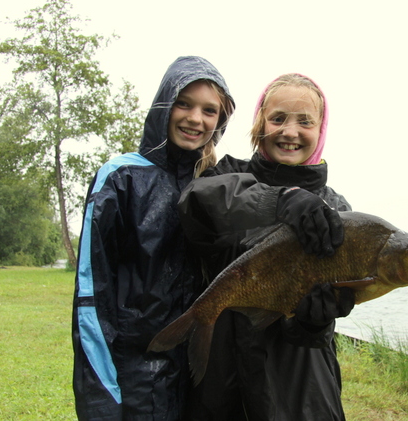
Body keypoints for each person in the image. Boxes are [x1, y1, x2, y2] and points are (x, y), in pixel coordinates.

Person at [177, 73, 353, 420]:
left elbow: (333, 304)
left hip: (302, 393)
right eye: (278, 119)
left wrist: (314, 323)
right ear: (259, 123)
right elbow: (195, 206)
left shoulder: (336, 210)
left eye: (305, 122)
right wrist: (278, 201)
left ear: (321, 131)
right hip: (222, 387)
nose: (290, 132)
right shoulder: (224, 176)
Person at [71, 56, 235, 421]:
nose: (196, 119)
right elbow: (90, 297)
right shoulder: (120, 178)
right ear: (164, 104)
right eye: (184, 103)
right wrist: (102, 400)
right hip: (132, 384)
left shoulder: (213, 185)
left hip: (196, 385)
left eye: (210, 111)